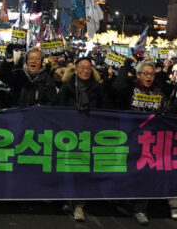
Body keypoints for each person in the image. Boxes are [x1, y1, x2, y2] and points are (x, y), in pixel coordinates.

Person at [113, 59, 169, 225]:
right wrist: (125, 67)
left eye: (151, 73)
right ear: (138, 75)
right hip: (129, 136)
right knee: (128, 170)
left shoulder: (159, 91)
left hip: (149, 140)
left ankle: (140, 208)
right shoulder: (130, 88)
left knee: (146, 173)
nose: (149, 76)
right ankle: (124, 199)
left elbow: (165, 110)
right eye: (145, 73)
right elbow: (117, 88)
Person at [56, 57, 107, 222]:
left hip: (89, 135)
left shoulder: (98, 88)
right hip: (70, 135)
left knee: (83, 170)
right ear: (75, 70)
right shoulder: (67, 87)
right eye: (82, 68)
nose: (85, 71)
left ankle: (79, 205)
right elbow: (58, 109)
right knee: (68, 169)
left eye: (88, 68)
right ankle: (69, 200)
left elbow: (106, 108)